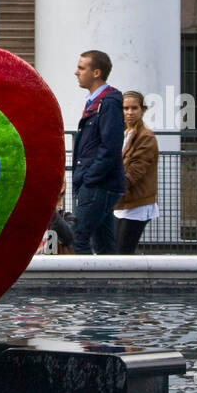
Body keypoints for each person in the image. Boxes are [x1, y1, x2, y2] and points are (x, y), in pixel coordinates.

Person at [71, 50, 124, 254]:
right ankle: (113, 284)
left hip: (98, 184)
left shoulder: (107, 102)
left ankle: (84, 286)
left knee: (79, 238)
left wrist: (89, 177)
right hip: (98, 182)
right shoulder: (97, 101)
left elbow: (110, 146)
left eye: (81, 68)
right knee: (104, 243)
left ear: (96, 73)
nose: (76, 72)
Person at [114, 90, 159, 254]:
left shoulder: (146, 136)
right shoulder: (121, 132)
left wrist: (114, 187)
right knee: (115, 251)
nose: (129, 112)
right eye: (126, 108)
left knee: (123, 251)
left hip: (137, 203)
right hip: (121, 201)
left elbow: (136, 170)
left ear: (142, 110)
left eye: (134, 108)